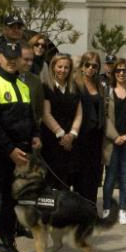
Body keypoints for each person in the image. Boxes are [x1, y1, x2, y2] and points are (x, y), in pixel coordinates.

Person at [0, 41, 41, 252]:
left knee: (11, 203)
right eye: (7, 56)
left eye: (16, 56)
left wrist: (35, 135)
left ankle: (7, 243)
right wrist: (9, 150)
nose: (12, 60)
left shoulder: (22, 85)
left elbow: (29, 117)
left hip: (19, 155)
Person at [102, 58, 126, 223]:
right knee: (110, 179)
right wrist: (115, 136)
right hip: (112, 142)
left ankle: (122, 210)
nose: (121, 73)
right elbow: (103, 117)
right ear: (114, 73)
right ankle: (106, 208)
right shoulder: (107, 92)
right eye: (118, 70)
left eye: (124, 70)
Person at [41, 53, 82, 190]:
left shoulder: (75, 88)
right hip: (52, 140)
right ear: (53, 67)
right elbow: (46, 114)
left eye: (66, 67)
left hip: (70, 141)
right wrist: (61, 135)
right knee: (51, 180)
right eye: (59, 67)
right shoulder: (46, 87)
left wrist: (72, 135)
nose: (62, 70)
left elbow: (78, 114)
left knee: (67, 180)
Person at [72, 51, 106, 205]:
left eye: (95, 66)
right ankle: (80, 210)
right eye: (88, 65)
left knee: (94, 175)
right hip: (80, 136)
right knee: (81, 175)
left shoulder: (99, 84)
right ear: (82, 66)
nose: (91, 68)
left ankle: (91, 208)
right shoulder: (75, 83)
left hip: (96, 137)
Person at [19, 41, 46, 127]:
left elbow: (39, 110)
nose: (30, 63)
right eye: (26, 60)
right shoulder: (4, 79)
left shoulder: (36, 81)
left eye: (31, 60)